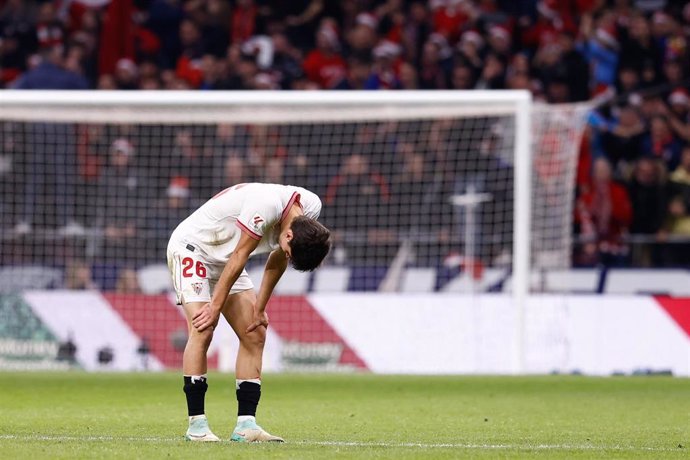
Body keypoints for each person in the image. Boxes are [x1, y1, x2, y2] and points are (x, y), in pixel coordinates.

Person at [166, 182, 331, 443]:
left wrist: (260, 309)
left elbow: (276, 261)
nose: (287, 254)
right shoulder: (265, 205)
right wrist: (215, 306)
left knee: (255, 333)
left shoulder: (310, 209)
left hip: (226, 259)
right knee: (203, 327)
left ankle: (246, 426)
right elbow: (241, 254)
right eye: (289, 250)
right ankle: (196, 426)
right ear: (288, 236)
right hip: (193, 248)